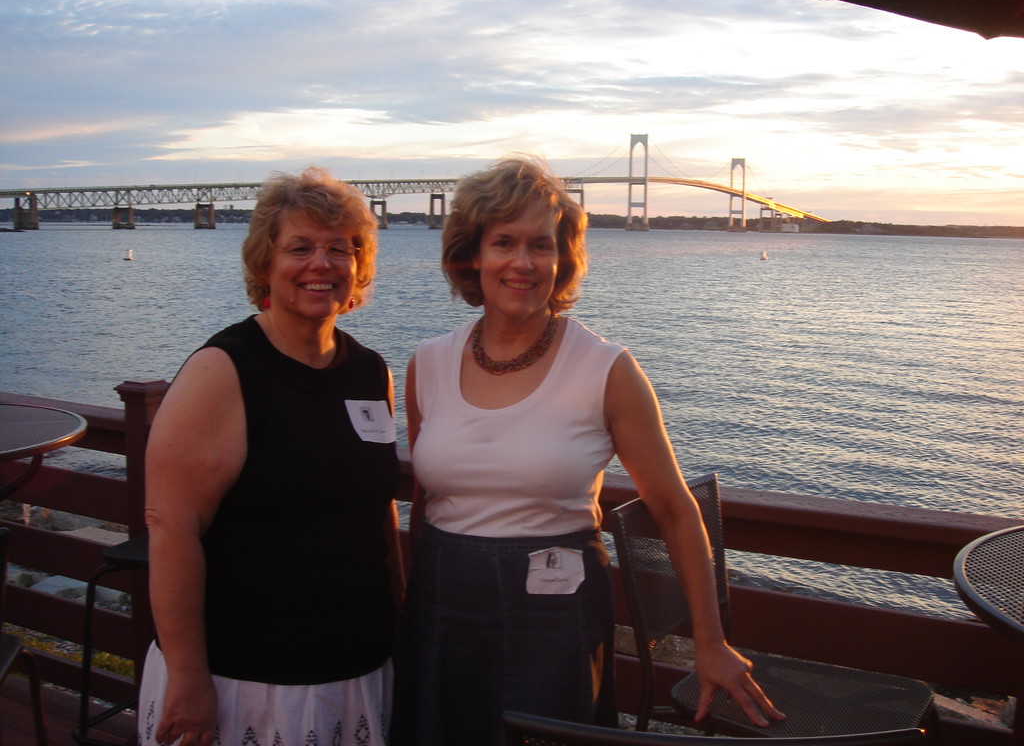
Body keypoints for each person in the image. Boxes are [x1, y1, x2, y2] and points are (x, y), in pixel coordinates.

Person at [392, 156, 785, 745]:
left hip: (556, 614)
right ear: (473, 254)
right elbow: (426, 503)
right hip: (441, 605)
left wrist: (710, 643)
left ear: (563, 257)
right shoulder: (427, 363)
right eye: (504, 242)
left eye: (541, 246)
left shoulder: (607, 369)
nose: (523, 264)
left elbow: (677, 511)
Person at [139, 167, 402, 746]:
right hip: (246, 681)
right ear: (265, 263)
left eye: (340, 248)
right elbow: (171, 527)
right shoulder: (224, 370)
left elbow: (375, 509)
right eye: (300, 247)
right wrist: (187, 678)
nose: (321, 264)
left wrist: (399, 621)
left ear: (358, 267)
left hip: (356, 668)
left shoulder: (370, 371)